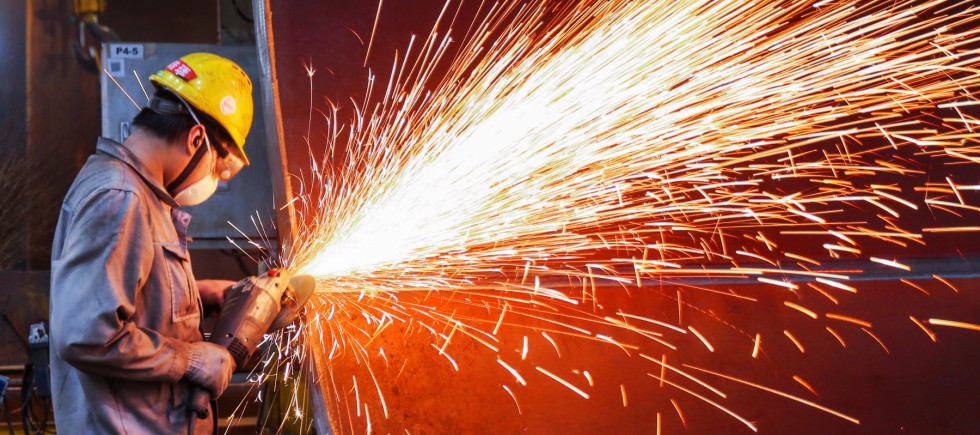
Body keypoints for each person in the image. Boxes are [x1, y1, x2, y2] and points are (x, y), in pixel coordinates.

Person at [50, 52, 255, 434]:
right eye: (219, 167)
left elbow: (122, 291)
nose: (214, 179)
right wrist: (193, 361)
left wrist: (196, 293)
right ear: (196, 139)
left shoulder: (142, 195)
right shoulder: (120, 198)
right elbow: (87, 335)